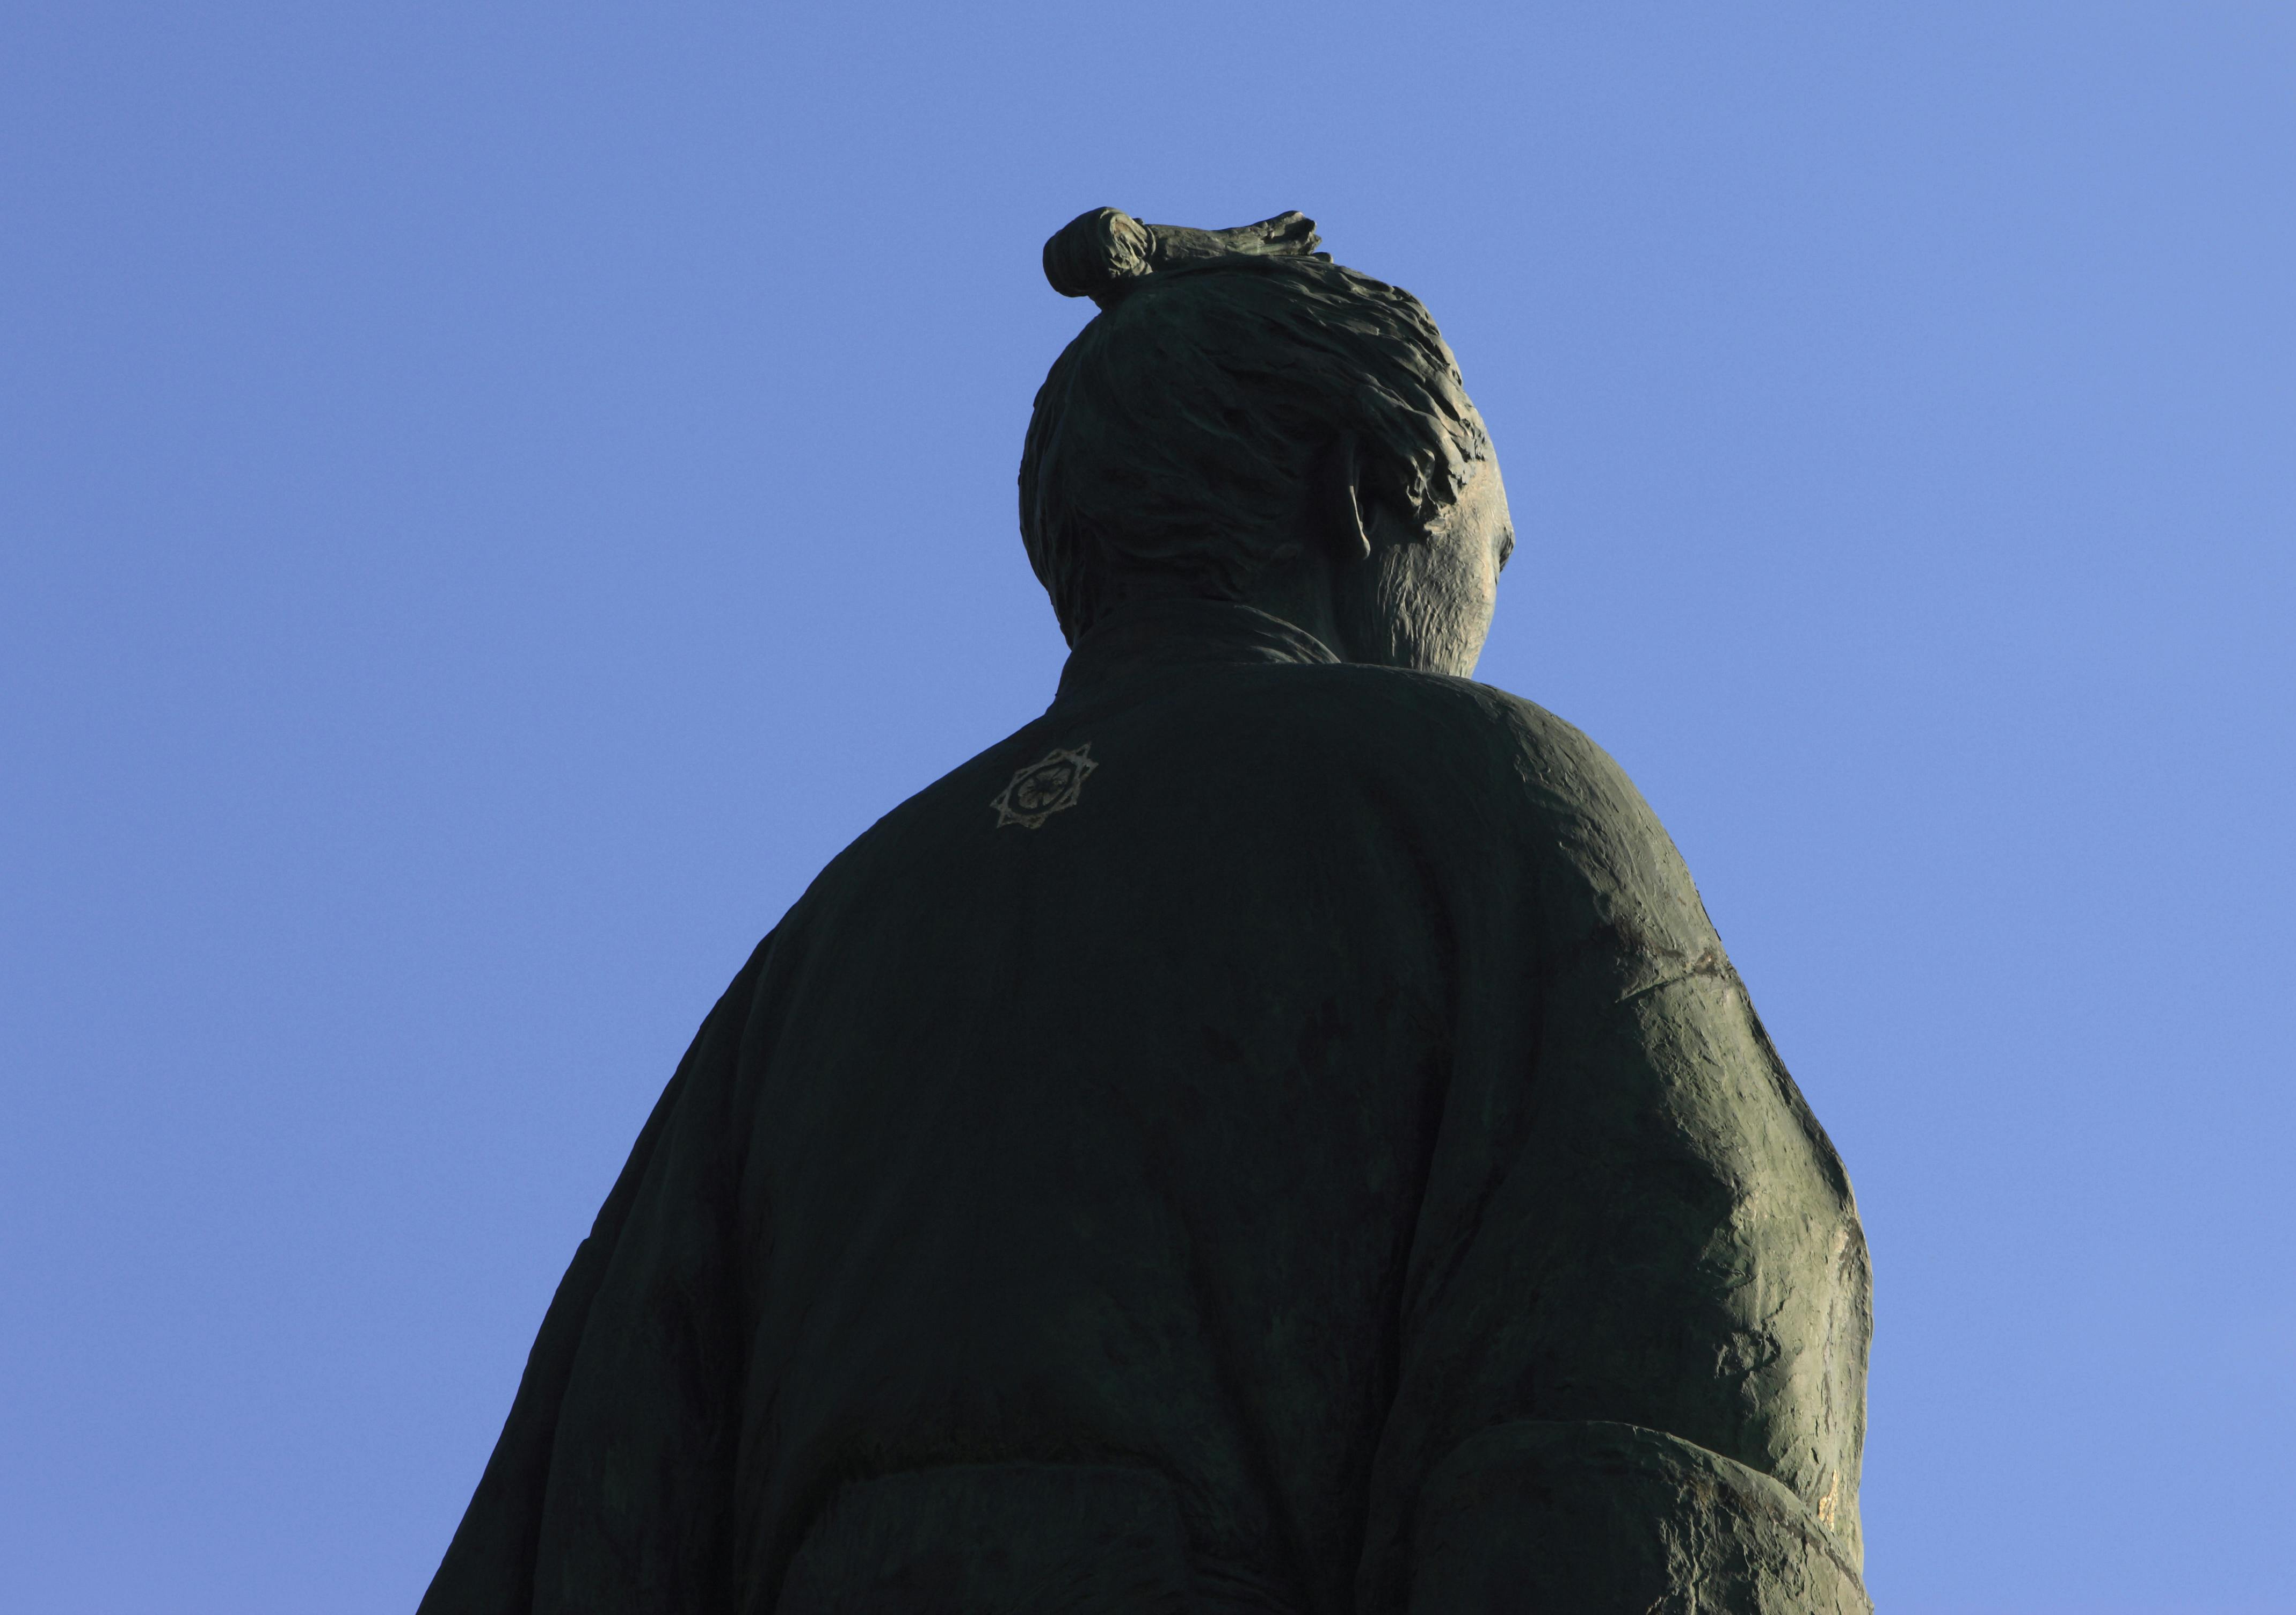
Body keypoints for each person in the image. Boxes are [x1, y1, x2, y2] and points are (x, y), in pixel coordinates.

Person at [422, 209, 1872, 1615]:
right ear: (1365, 495)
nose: (1495, 585)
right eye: (1490, 541)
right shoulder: (1490, 797)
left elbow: (591, 1504)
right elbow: (1689, 1359)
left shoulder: (830, 941)